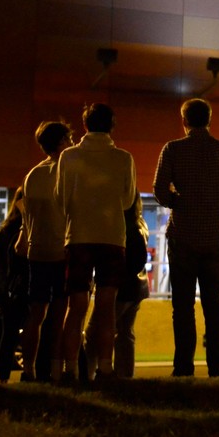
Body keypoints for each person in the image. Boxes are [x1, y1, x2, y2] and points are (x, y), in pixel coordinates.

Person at [152, 98, 219, 378]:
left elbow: (159, 190)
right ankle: (218, 366)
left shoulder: (173, 149)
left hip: (182, 237)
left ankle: (183, 367)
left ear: (184, 121)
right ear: (209, 120)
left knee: (182, 307)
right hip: (215, 239)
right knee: (213, 305)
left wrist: (179, 202)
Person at [55, 103, 137, 383]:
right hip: (112, 237)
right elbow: (127, 200)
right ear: (112, 126)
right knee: (106, 307)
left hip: (78, 236)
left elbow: (61, 198)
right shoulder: (123, 158)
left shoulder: (69, 156)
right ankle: (105, 368)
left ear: (85, 125)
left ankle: (70, 370)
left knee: (75, 306)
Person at [18, 120, 73, 383]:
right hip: (61, 251)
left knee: (36, 314)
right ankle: (55, 369)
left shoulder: (32, 175)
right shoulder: (64, 172)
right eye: (69, 139)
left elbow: (27, 217)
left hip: (36, 251)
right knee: (60, 314)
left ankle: (28, 369)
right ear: (62, 142)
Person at [0, 187, 30, 383]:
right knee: (26, 332)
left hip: (10, 289)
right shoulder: (26, 229)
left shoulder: (5, 231)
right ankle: (27, 372)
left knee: (9, 335)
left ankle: (3, 378)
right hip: (23, 287)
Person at [112, 195, 149, 377]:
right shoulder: (140, 224)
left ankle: (91, 371)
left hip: (123, 288)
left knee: (100, 329)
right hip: (137, 287)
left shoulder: (125, 227)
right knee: (126, 332)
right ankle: (125, 374)